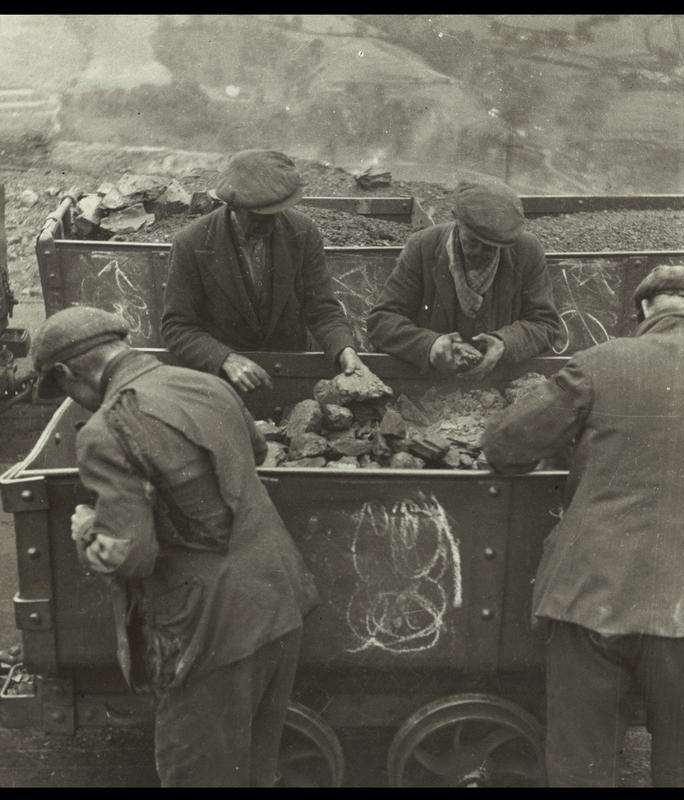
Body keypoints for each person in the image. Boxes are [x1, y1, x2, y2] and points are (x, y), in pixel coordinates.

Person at [481, 266, 684, 787]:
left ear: (646, 309)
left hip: (592, 596)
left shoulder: (601, 363)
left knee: (582, 756)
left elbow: (505, 445)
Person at [30, 305, 319, 787]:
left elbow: (130, 555)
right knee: (254, 772)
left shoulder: (107, 430)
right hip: (279, 601)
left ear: (67, 373)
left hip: (209, 633)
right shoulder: (205, 383)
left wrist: (86, 527)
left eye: (62, 388)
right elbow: (257, 452)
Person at [161, 148, 375, 392]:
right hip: (223, 384)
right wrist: (225, 359)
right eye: (259, 216)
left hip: (287, 373)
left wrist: (344, 350)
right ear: (233, 207)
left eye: (276, 213)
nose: (271, 223)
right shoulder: (191, 243)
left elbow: (322, 309)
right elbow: (176, 327)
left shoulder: (303, 232)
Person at [366, 179, 562, 378]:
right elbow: (382, 320)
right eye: (472, 241)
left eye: (490, 247)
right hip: (431, 384)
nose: (478, 252)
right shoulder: (423, 246)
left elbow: (545, 324)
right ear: (456, 219)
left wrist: (504, 343)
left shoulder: (526, 251)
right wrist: (430, 345)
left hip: (497, 383)